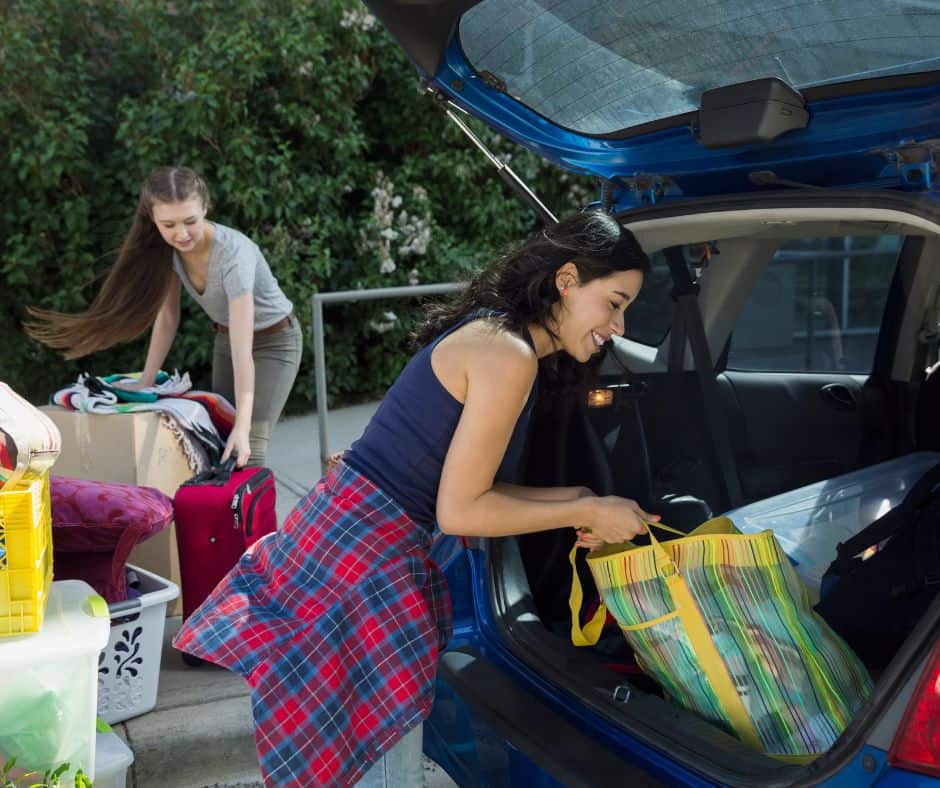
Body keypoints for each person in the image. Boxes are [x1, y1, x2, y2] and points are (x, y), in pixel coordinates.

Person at [171, 210, 658, 787]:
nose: (620, 326)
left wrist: (579, 496)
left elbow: (463, 486)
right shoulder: (511, 356)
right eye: (615, 303)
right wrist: (585, 510)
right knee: (380, 769)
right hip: (364, 564)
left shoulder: (498, 332)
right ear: (568, 280)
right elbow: (460, 511)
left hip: (343, 538)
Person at [24, 166, 302, 467]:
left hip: (275, 342)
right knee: (220, 436)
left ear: (205, 207)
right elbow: (168, 318)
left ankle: (259, 514)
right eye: (168, 224)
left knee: (249, 447)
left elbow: (242, 348)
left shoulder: (234, 254)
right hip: (226, 338)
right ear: (153, 220)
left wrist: (244, 428)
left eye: (190, 221)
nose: (181, 234)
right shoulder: (167, 251)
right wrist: (145, 381)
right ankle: (225, 513)